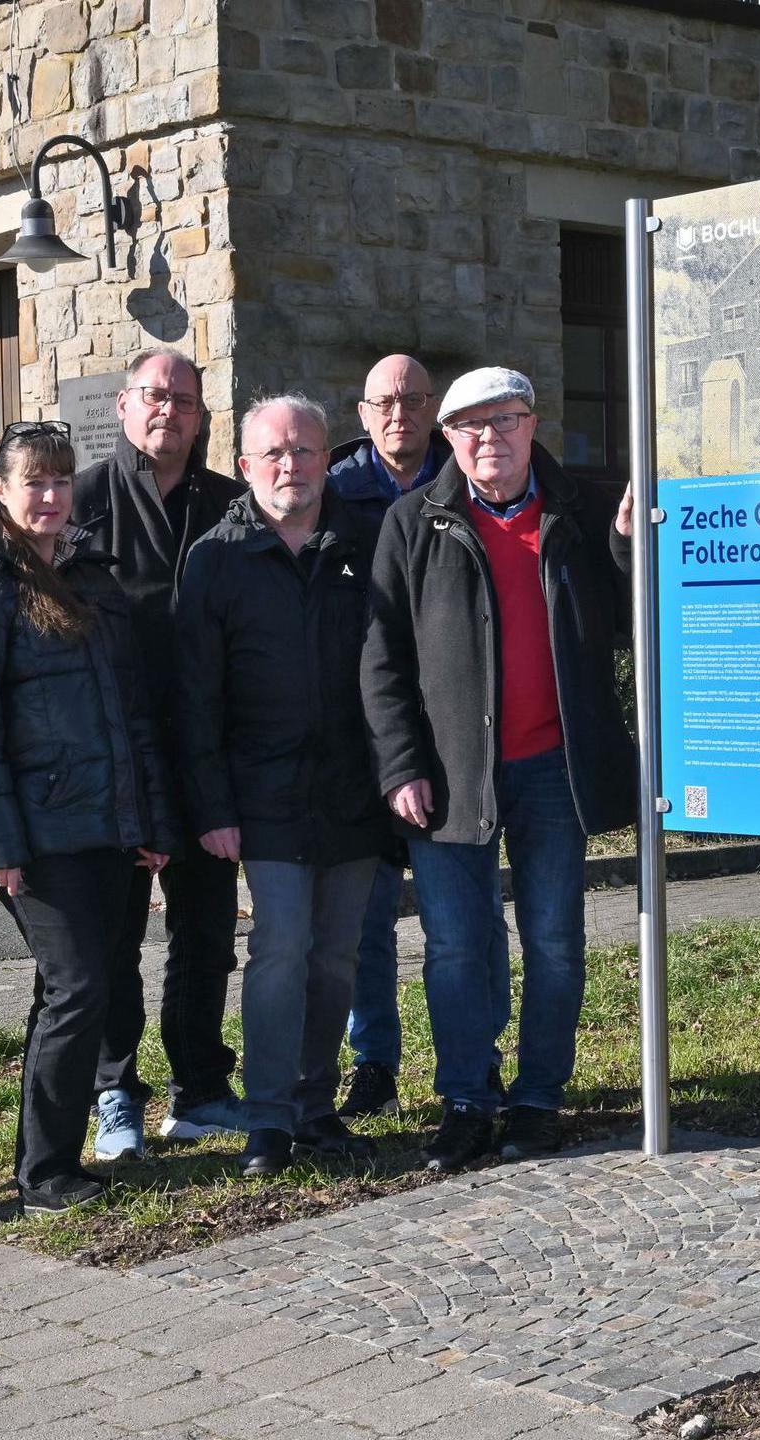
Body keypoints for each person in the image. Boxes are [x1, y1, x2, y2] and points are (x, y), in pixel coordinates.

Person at [361, 366, 634, 1173]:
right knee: (455, 945)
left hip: (555, 766)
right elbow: (382, 659)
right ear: (447, 439)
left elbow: (626, 616)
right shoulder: (414, 522)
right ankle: (467, 1100)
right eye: (470, 426)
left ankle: (538, 1097)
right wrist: (400, 765)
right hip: (450, 774)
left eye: (505, 421)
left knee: (554, 940)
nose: (489, 438)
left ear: (532, 423)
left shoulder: (579, 509)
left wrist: (623, 544)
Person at [0, 421, 183, 1213]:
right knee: (77, 987)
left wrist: (152, 823)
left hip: (110, 827)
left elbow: (131, 711)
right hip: (37, 834)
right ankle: (44, 1174)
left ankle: (50, 1160)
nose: (50, 496)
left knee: (86, 987)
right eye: (33, 481)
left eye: (62, 481)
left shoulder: (90, 574)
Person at [173, 395, 389, 1176]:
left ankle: (314, 1104)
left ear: (326, 459)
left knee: (336, 958)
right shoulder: (215, 560)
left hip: (352, 794)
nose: (289, 466)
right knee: (280, 948)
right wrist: (212, 806)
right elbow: (194, 697)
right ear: (244, 468)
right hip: (259, 797)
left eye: (303, 451)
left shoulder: (364, 544)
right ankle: (268, 1116)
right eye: (272, 454)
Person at [71, 347, 250, 1159]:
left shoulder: (230, 504)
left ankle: (203, 1088)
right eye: (154, 396)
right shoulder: (80, 504)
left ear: (201, 415)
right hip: (110, 760)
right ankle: (115, 1094)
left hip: (206, 757)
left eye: (183, 399)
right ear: (123, 406)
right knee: (112, 938)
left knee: (206, 932)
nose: (168, 411)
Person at [323, 354, 446, 1120]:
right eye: (383, 402)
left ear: (432, 408)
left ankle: (469, 1060)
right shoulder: (333, 495)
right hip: (357, 737)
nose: (398, 413)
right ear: (362, 414)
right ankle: (373, 1062)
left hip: (454, 731)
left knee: (455, 918)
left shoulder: (460, 480)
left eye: (411, 399)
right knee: (365, 923)